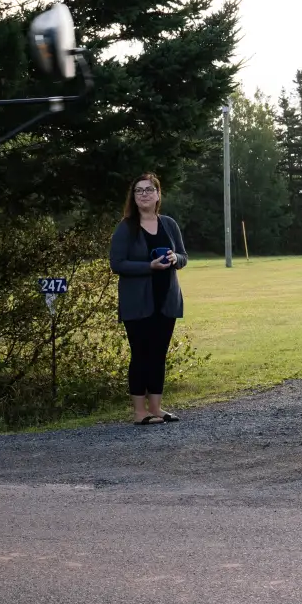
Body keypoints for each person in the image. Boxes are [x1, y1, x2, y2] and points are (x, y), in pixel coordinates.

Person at [108, 173, 189, 425]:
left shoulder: (169, 224)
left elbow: (184, 256)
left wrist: (176, 259)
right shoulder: (126, 227)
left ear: (157, 194)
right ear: (133, 197)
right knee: (141, 355)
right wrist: (149, 266)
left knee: (158, 355)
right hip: (138, 303)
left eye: (149, 189)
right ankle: (139, 412)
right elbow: (117, 264)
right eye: (139, 191)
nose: (144, 194)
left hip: (166, 300)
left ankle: (156, 408)